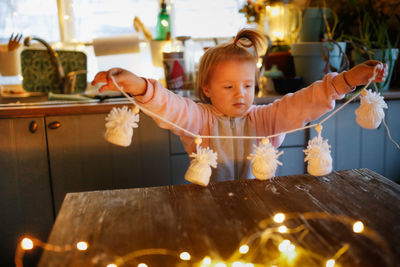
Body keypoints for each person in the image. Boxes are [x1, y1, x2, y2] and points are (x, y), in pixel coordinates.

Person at [92, 29, 387, 182]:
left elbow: (303, 103)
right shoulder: (199, 119)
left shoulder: (265, 119)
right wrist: (141, 87)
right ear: (206, 88)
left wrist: (347, 80)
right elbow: (170, 106)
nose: (241, 94)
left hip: (263, 202)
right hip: (209, 204)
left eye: (247, 85)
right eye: (229, 86)